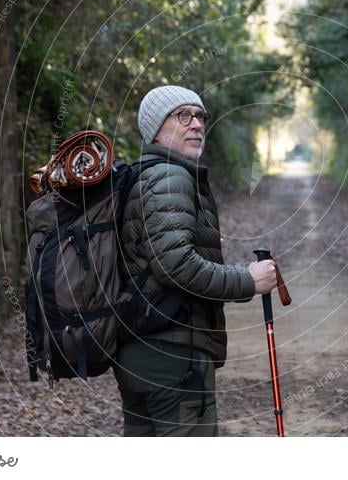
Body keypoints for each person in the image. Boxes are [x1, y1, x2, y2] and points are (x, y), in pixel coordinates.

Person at [115, 85, 278, 436]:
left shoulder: (144, 174)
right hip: (174, 355)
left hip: (141, 350)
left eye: (200, 116)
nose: (196, 124)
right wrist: (248, 280)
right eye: (182, 115)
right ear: (156, 128)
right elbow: (176, 266)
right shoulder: (169, 176)